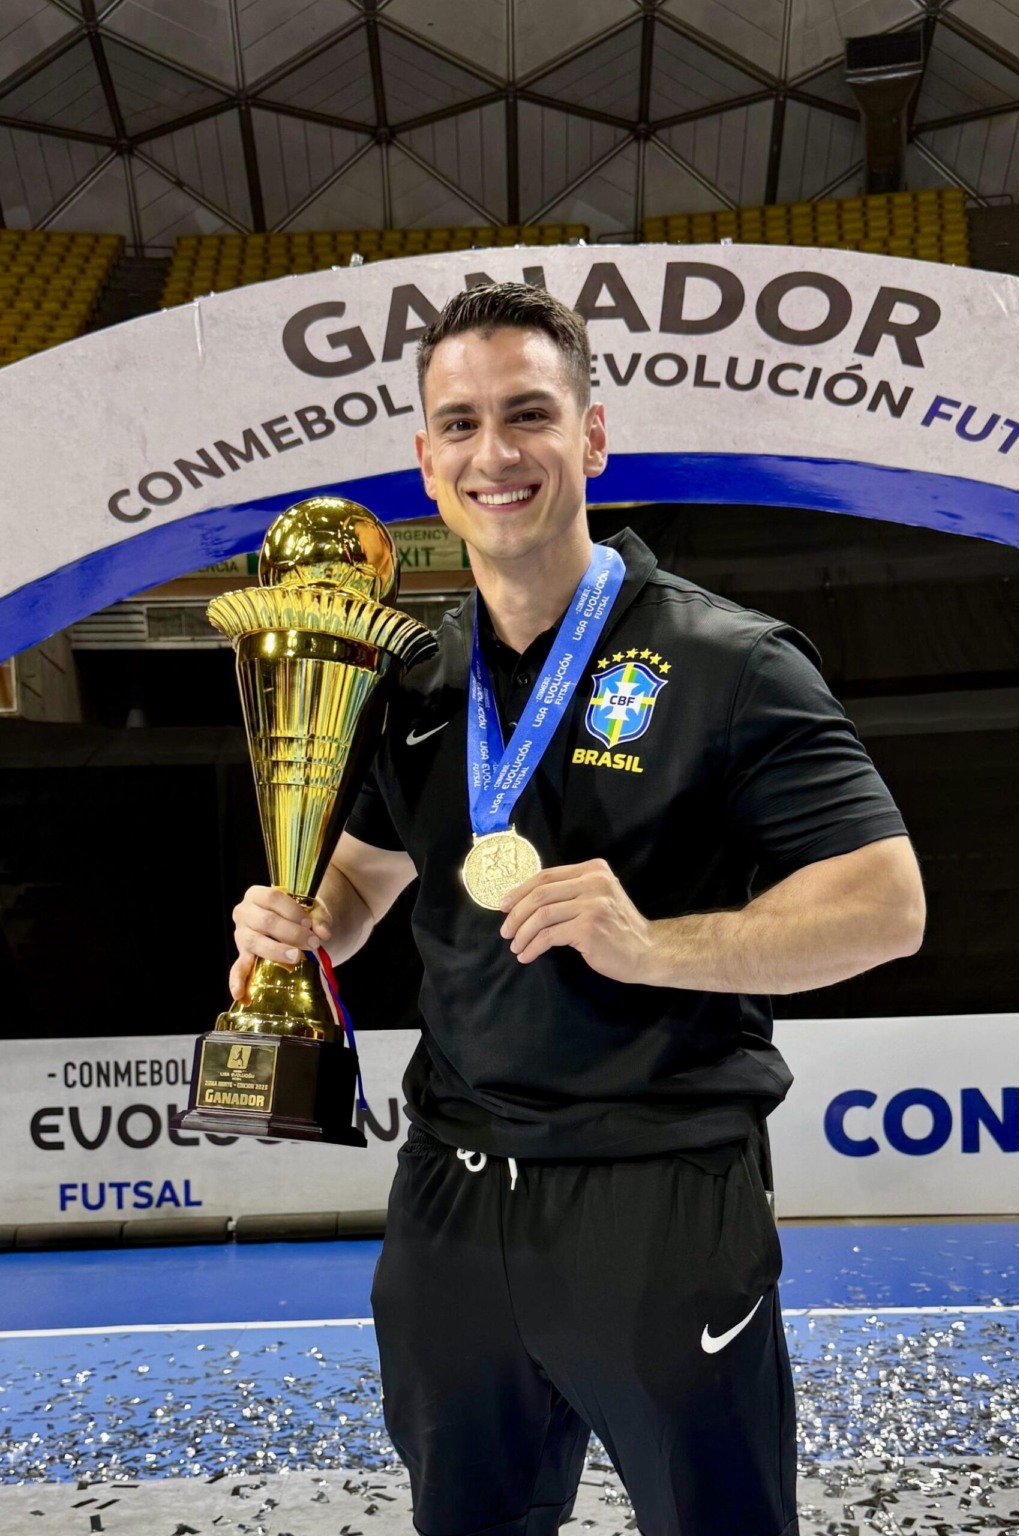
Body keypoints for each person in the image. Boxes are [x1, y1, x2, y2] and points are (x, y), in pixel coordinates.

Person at [230, 282, 925, 1536]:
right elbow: (368, 879)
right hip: (450, 1198)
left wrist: (651, 944)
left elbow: (885, 904)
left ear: (592, 436)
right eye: (460, 424)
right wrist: (302, 923)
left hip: (656, 1195)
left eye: (528, 414)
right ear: (426, 462)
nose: (493, 453)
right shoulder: (415, 680)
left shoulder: (730, 661)